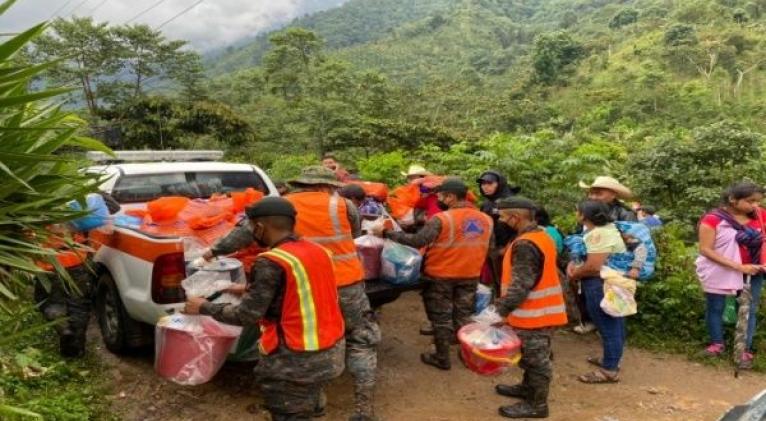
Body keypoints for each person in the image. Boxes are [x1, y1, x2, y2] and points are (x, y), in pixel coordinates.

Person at [201, 166, 380, 421]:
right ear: (328, 186)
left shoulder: (280, 207)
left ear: (301, 184)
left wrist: (210, 253)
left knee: (307, 336)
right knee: (361, 341)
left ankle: (309, 398)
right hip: (345, 281)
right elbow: (354, 234)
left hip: (299, 282)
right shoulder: (344, 206)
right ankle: (363, 410)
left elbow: (243, 234)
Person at [184, 198, 346, 420]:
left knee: (290, 414)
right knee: (312, 404)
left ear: (259, 227)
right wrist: (242, 288)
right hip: (330, 351)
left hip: (294, 359)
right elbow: (297, 289)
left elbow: (247, 315)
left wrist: (203, 306)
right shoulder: (318, 250)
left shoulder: (271, 261)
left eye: (251, 227)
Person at [373, 177, 493, 370]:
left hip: (441, 276)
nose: (439, 199)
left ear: (451, 197)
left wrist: (387, 234)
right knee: (463, 316)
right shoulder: (486, 220)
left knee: (441, 318)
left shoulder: (442, 219)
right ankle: (467, 355)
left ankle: (442, 357)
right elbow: (490, 247)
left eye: (441, 196)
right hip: (470, 274)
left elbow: (418, 241)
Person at [493, 197, 567, 419]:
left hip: (534, 313)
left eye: (504, 217)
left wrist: (499, 310)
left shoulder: (526, 244)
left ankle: (537, 405)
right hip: (539, 311)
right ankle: (527, 389)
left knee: (537, 361)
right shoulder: (540, 236)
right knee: (530, 356)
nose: (502, 221)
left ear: (515, 218)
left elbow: (521, 285)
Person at [697, 182, 765, 369]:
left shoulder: (761, 217)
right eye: (750, 201)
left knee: (748, 309)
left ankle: (743, 349)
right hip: (720, 270)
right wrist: (737, 266)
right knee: (715, 307)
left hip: (753, 271)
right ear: (733, 200)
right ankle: (716, 344)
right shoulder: (713, 219)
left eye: (758, 202)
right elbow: (705, 249)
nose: (755, 206)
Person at [566, 200, 626, 384]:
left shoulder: (597, 234)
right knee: (616, 322)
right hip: (613, 281)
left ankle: (609, 370)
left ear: (584, 215)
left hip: (600, 283)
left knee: (608, 325)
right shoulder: (607, 230)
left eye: (578, 211)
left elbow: (593, 266)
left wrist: (575, 274)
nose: (576, 213)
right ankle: (611, 359)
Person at [574, 176, 636, 335]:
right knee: (587, 294)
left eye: (598, 193)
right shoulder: (587, 209)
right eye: (591, 193)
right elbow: (579, 234)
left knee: (612, 297)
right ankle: (592, 322)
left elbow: (632, 242)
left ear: (613, 195)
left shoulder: (625, 214)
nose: (593, 197)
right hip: (589, 260)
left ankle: (612, 335)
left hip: (612, 266)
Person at [477, 170, 520, 290]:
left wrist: (508, 247)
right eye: (483, 184)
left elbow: (521, 227)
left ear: (499, 184)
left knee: (510, 282)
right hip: (492, 249)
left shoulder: (511, 202)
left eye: (490, 183)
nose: (485, 186)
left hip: (509, 248)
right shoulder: (486, 204)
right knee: (498, 281)